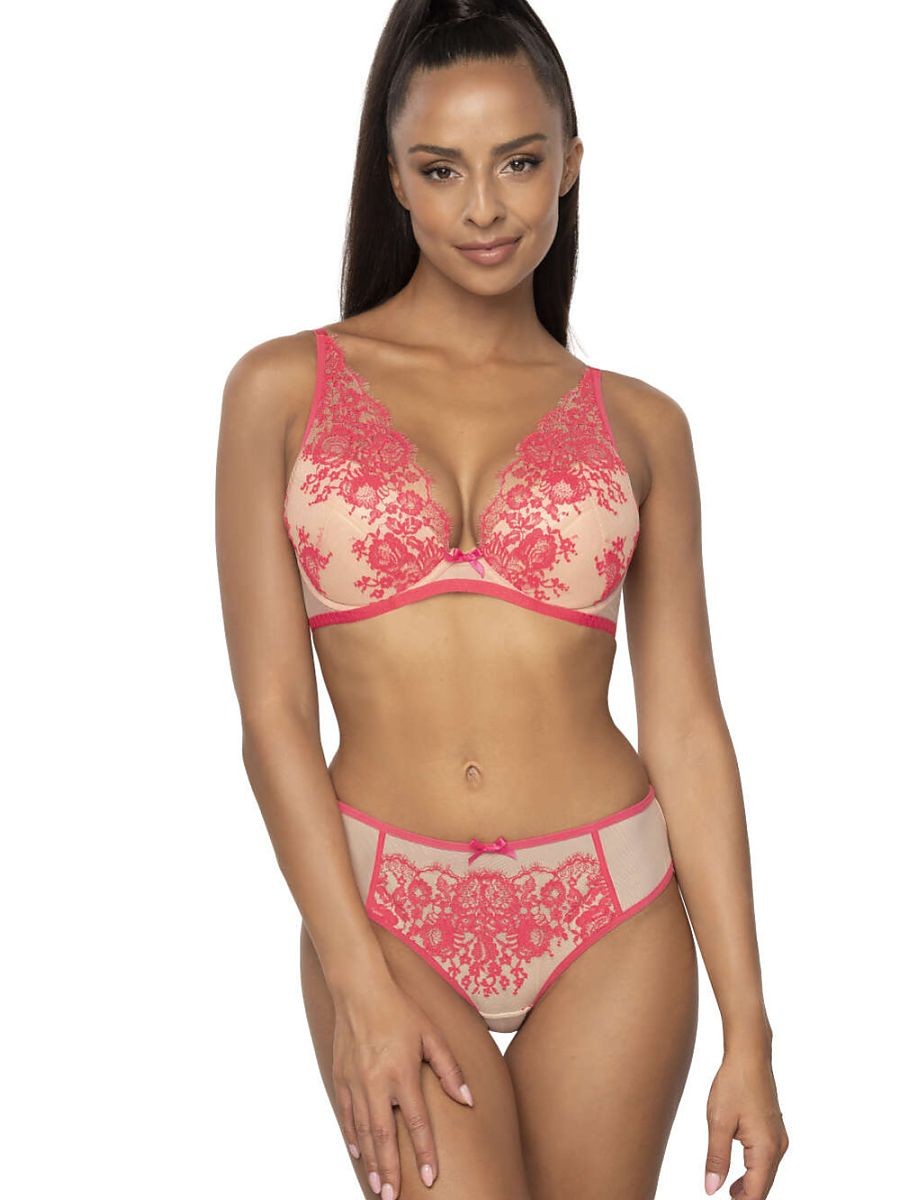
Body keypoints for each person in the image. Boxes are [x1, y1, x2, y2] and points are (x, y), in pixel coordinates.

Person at [215, 2, 789, 1197]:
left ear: (570, 163)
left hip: (614, 915)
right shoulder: (279, 390)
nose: (484, 208)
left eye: (519, 163)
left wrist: (751, 1028)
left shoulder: (645, 425)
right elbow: (273, 718)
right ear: (395, 180)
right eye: (442, 170)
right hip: (382, 912)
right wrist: (357, 983)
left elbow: (687, 728)